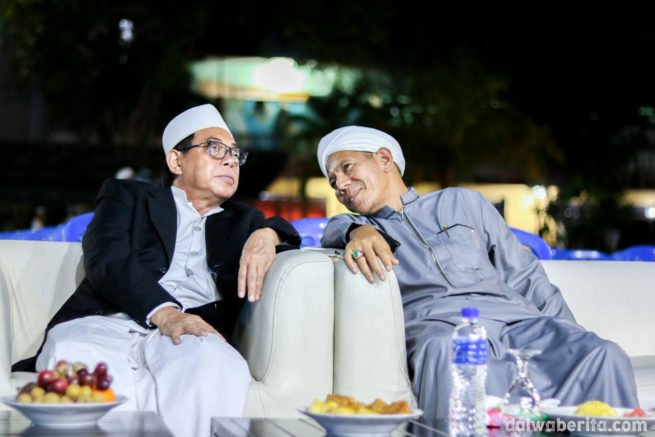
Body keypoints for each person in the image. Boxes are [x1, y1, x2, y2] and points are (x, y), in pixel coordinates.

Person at [13, 104, 300, 437]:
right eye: (215, 148)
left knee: (212, 368)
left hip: (192, 334)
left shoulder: (245, 221)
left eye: (235, 153)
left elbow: (292, 239)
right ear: (176, 161)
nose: (230, 160)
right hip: (109, 322)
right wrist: (164, 313)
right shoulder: (128, 197)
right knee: (74, 355)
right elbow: (107, 257)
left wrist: (269, 234)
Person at [317, 125, 639, 418]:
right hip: (443, 330)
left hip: (517, 323)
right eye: (333, 181)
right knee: (448, 353)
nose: (340, 185)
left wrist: (568, 333)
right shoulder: (357, 228)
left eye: (347, 168)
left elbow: (525, 274)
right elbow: (332, 230)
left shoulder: (462, 202)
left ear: (384, 159)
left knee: (602, 354)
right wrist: (356, 230)